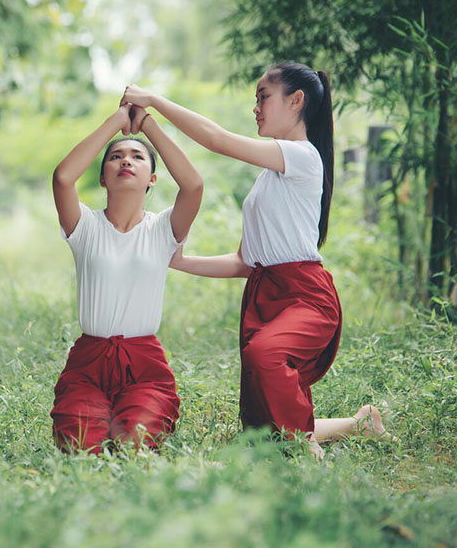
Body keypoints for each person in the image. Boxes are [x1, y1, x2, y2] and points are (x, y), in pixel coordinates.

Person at [121, 62, 392, 459]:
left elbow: (216, 139)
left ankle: (308, 455)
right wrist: (178, 261)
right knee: (266, 432)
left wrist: (154, 102)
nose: (256, 107)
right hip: (264, 297)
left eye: (263, 97)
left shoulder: (303, 157)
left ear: (296, 100)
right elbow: (245, 262)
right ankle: (359, 423)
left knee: (266, 355)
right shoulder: (269, 179)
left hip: (305, 295)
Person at [50, 102, 204, 454]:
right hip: (88, 363)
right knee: (80, 446)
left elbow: (193, 185)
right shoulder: (85, 226)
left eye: (137, 157)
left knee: (134, 444)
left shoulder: (164, 229)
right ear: (103, 177)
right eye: (115, 156)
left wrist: (146, 123)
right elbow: (62, 178)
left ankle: (138, 419)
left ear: (152, 178)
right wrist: (119, 120)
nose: (125, 161)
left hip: (144, 365)